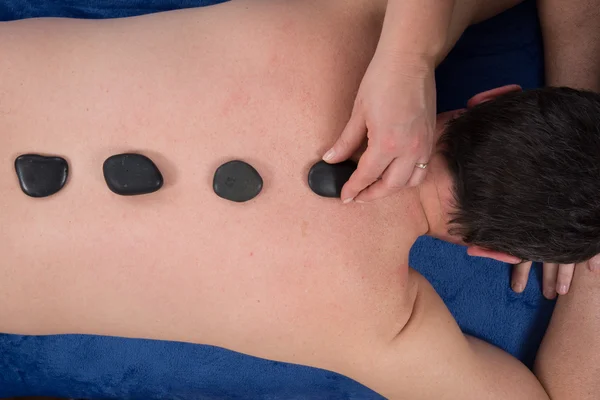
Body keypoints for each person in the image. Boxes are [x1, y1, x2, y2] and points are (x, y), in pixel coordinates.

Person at [0, 0, 599, 398]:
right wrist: (581, 236)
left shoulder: (362, 22)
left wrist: (410, 53)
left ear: (494, 96)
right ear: (492, 252)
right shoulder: (382, 327)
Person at [323, 0, 600, 299]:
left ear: (493, 95)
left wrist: (409, 59)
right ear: (497, 253)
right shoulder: (381, 312)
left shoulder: (371, 18)